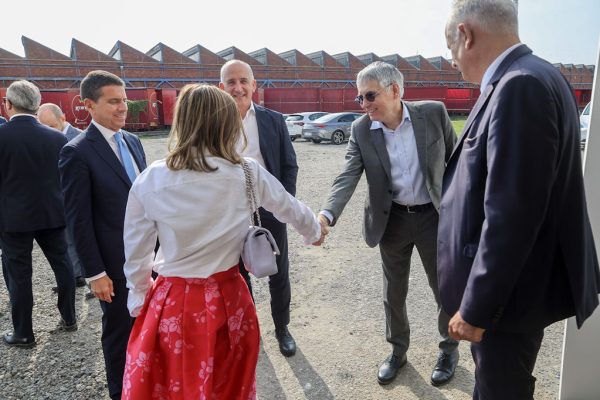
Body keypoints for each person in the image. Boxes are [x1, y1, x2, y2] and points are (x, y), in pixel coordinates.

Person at [439, 1, 600, 398]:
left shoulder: (518, 85)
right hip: (513, 294)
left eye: (451, 50)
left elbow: (512, 213)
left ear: (466, 34)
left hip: (505, 304)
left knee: (501, 391)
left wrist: (477, 308)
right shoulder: (538, 75)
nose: (454, 63)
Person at [121, 84, 324, 399]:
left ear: (182, 122)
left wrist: (138, 296)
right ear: (228, 124)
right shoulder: (245, 172)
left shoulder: (152, 178)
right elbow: (290, 208)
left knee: (178, 386)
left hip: (173, 302)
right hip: (228, 298)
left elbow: (137, 254)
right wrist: (314, 231)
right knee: (230, 386)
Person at [319, 61, 458, 386]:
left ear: (395, 90)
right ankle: (397, 351)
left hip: (433, 218)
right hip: (391, 220)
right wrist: (326, 214)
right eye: (360, 99)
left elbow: (457, 161)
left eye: (370, 96)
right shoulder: (361, 130)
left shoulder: (433, 113)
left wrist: (463, 210)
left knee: (444, 289)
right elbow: (348, 175)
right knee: (392, 293)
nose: (364, 105)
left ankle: (449, 349)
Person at [59, 70, 147, 400]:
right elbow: (77, 221)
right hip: (113, 266)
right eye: (113, 102)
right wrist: (95, 273)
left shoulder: (134, 141)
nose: (123, 108)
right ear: (88, 105)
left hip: (149, 260)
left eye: (124, 100)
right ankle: (120, 393)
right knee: (119, 334)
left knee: (148, 329)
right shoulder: (77, 152)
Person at [219, 59, 300, 357]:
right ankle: (249, 330)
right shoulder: (213, 123)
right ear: (222, 87)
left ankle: (282, 329)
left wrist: (284, 205)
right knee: (237, 275)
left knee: (278, 272)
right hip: (231, 214)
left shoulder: (273, 120)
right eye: (231, 82)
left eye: (243, 81)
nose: (238, 87)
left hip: (269, 210)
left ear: (254, 85)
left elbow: (289, 165)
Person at [0, 80, 77, 348]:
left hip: (13, 218)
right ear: (36, 104)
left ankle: (24, 333)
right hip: (52, 213)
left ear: (7, 104)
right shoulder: (57, 137)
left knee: (19, 274)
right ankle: (69, 318)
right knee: (63, 264)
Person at [37, 103, 87, 291]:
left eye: (51, 126)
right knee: (67, 239)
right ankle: (76, 276)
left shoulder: (81, 137)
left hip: (79, 197)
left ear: (63, 118)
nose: (47, 131)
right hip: (60, 198)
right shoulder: (46, 139)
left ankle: (91, 280)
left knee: (83, 238)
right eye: (43, 127)